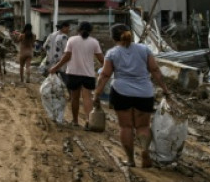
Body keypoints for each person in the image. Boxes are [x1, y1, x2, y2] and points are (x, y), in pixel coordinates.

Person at [94, 23, 172, 168]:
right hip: (144, 93)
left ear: (113, 37)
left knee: (126, 127)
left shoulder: (112, 53)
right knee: (143, 126)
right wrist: (165, 90)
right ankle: (144, 150)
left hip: (121, 93)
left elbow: (104, 75)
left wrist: (97, 94)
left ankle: (130, 160)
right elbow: (155, 70)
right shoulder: (144, 49)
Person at [48, 21, 103, 127]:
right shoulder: (94, 42)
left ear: (78, 30)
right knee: (87, 98)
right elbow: (101, 59)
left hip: (73, 73)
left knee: (74, 98)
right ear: (90, 31)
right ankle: (88, 121)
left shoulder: (72, 40)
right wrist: (107, 69)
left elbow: (67, 56)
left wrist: (55, 67)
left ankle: (75, 121)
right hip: (88, 74)